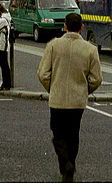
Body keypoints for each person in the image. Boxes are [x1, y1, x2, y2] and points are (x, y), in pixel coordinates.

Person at [37, 13, 102, 182]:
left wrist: (52, 87)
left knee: (57, 133)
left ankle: (65, 163)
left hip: (57, 99)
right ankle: (70, 164)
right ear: (81, 27)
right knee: (73, 134)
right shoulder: (90, 49)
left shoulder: (53, 45)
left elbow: (43, 73)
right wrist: (85, 90)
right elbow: (97, 78)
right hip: (78, 101)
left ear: (65, 26)